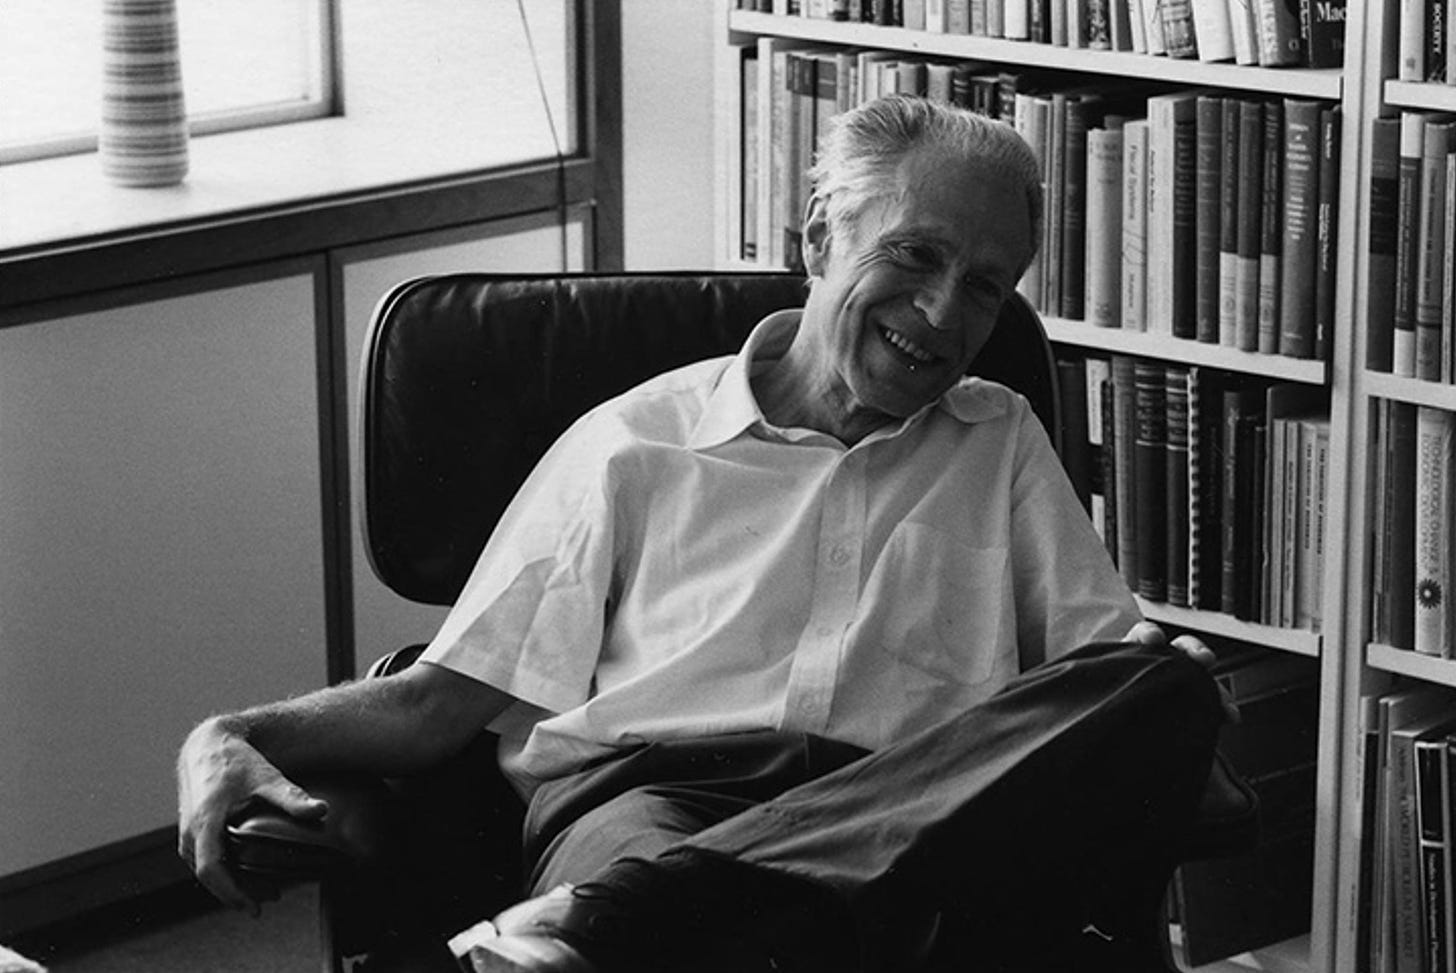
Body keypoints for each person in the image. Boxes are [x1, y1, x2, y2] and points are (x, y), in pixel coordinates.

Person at [177, 96, 1237, 973]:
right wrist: (228, 732)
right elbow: (436, 701)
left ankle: (612, 924)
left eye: (985, 286)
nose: (943, 311)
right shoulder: (636, 444)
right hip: (657, 802)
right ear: (819, 238)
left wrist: (1157, 693)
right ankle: (655, 907)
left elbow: (1105, 674)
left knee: (1166, 684)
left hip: (913, 804)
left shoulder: (996, 438)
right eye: (913, 254)